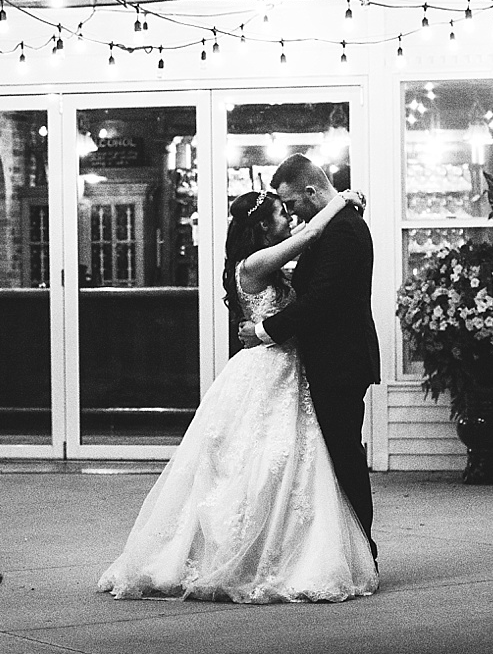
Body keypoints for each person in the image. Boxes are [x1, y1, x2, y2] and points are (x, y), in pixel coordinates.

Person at [97, 186, 378, 604]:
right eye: (283, 213)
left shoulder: (271, 258)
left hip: (289, 367)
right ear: (263, 225)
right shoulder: (255, 264)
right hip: (267, 367)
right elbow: (311, 237)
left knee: (287, 462)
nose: (290, 218)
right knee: (260, 461)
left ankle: (285, 551)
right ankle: (250, 557)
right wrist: (340, 200)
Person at [238, 153, 382, 564]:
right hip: (324, 361)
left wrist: (263, 332)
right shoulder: (331, 226)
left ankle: (361, 550)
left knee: (344, 457)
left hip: (340, 362)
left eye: (292, 202)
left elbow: (320, 302)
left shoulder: (345, 230)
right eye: (281, 209)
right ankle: (331, 550)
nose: (290, 212)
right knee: (327, 460)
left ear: (311, 191)